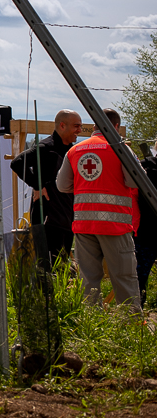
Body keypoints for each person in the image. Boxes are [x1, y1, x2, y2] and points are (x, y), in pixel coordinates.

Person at [56, 108, 141, 314]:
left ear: (94, 126)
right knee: (124, 277)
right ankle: (131, 325)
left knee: (88, 278)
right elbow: (134, 180)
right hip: (115, 225)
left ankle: (90, 322)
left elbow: (61, 186)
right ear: (117, 126)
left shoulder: (75, 151)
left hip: (84, 224)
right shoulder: (121, 149)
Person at [11, 109, 82, 264]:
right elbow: (17, 163)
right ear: (62, 126)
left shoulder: (72, 150)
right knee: (47, 265)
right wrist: (38, 186)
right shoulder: (45, 147)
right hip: (48, 219)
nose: (80, 130)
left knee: (62, 265)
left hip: (68, 219)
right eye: (76, 126)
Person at [139, 146, 157, 307]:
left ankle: (135, 313)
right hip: (145, 231)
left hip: (145, 229)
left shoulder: (143, 166)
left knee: (139, 276)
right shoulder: (144, 165)